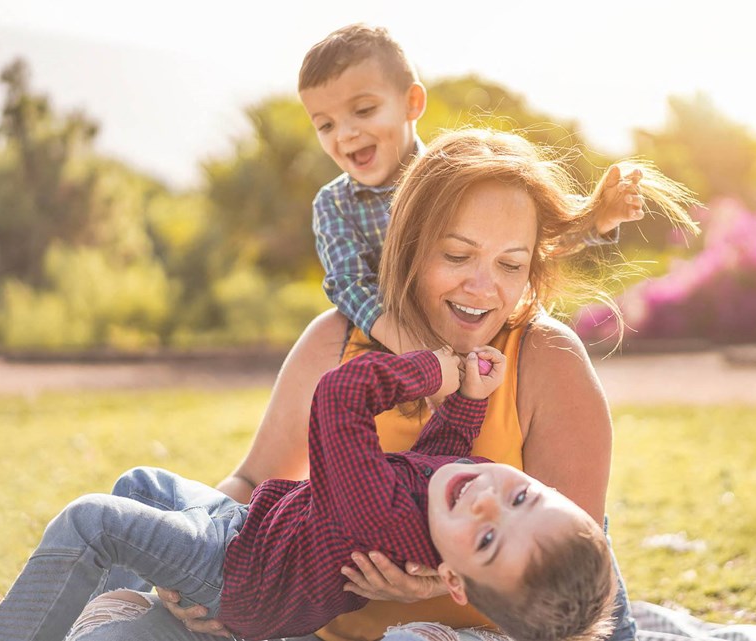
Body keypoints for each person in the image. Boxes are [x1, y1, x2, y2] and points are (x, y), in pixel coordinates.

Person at [68, 129, 698, 641]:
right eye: (457, 256)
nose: (485, 288)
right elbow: (252, 483)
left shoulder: (546, 359)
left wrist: (435, 582)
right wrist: (199, 572)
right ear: (408, 249)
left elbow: (574, 571)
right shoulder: (336, 340)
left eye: (511, 264)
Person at [0, 343, 616, 641]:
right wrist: (470, 400)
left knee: (94, 522)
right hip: (248, 528)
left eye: (486, 539)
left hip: (237, 570)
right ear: (539, 483)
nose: (486, 502)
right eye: (522, 499)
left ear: (453, 581)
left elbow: (337, 400)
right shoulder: (441, 508)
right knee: (140, 486)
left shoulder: (387, 522)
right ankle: (90, 619)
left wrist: (435, 370)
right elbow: (438, 459)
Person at [298, 23, 666, 355]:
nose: (345, 134)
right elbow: (350, 284)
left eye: (363, 111)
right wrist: (414, 351)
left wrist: (596, 218)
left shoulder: (458, 178)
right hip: (390, 349)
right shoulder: (335, 204)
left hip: (479, 335)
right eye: (326, 125)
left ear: (412, 103)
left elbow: (531, 241)